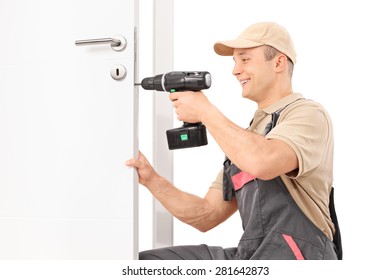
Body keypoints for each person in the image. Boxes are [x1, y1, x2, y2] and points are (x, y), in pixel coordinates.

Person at [126, 22, 342, 260]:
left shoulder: (307, 114)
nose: (235, 70)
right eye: (234, 62)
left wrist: (205, 112)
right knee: (149, 263)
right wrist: (151, 179)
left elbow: (263, 161)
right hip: (253, 256)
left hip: (298, 255)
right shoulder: (247, 136)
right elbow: (206, 215)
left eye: (245, 59)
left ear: (279, 62)